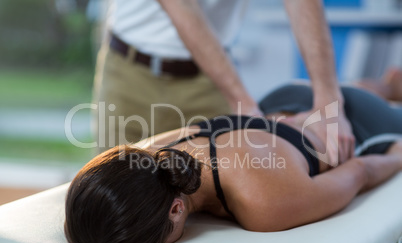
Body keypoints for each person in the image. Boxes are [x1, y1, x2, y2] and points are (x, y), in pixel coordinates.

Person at [65, 79, 402, 243]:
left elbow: (360, 171)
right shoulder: (146, 153)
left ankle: (385, 87)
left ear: (177, 208)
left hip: (352, 123)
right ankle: (384, 84)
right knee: (361, 87)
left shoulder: (262, 202)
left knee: (375, 104)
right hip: (281, 99)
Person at [93, 0, 355, 166]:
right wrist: (244, 104)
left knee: (219, 195)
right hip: (129, 73)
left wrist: (328, 102)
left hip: (210, 82)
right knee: (119, 193)